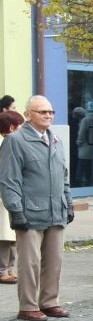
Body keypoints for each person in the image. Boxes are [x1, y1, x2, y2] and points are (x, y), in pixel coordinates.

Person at [0, 96, 74, 321]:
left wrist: (68, 203)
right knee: (29, 263)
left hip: (56, 210)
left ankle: (49, 301)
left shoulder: (56, 140)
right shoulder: (16, 141)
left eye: (51, 112)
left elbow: (64, 177)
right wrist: (16, 210)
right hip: (30, 211)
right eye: (42, 112)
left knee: (54, 260)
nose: (48, 115)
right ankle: (28, 306)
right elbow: (9, 180)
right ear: (28, 114)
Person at [0, 110, 25, 285]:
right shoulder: (7, 143)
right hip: (3, 198)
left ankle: (10, 269)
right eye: (21, 126)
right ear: (11, 127)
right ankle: (3, 271)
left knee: (12, 238)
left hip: (12, 196)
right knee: (4, 238)